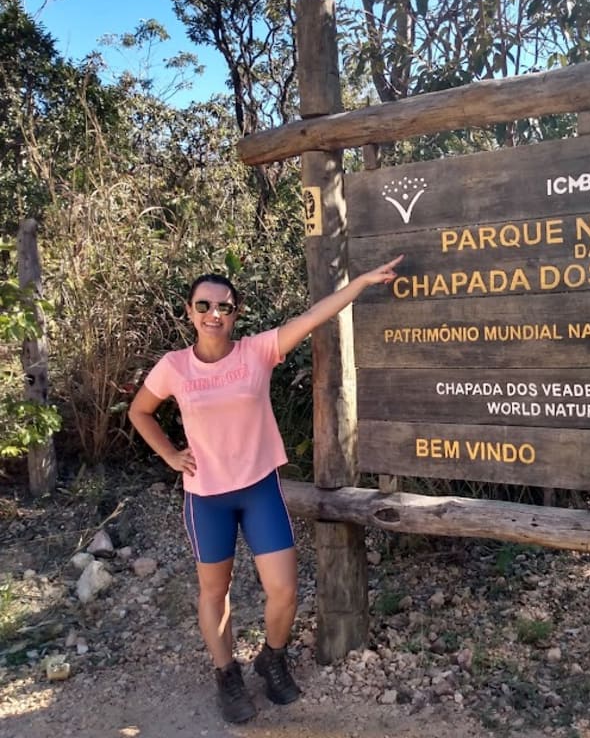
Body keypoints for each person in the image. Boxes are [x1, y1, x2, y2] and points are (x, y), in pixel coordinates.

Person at [128, 256, 403, 723]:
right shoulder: (173, 366)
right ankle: (226, 675)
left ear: (237, 313)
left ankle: (272, 658)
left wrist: (357, 284)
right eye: (204, 305)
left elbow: (313, 316)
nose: (214, 314)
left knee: (285, 591)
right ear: (189, 311)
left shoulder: (256, 352)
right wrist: (171, 455)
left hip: (259, 489)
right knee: (215, 593)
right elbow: (140, 412)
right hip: (206, 496)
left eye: (225, 307)